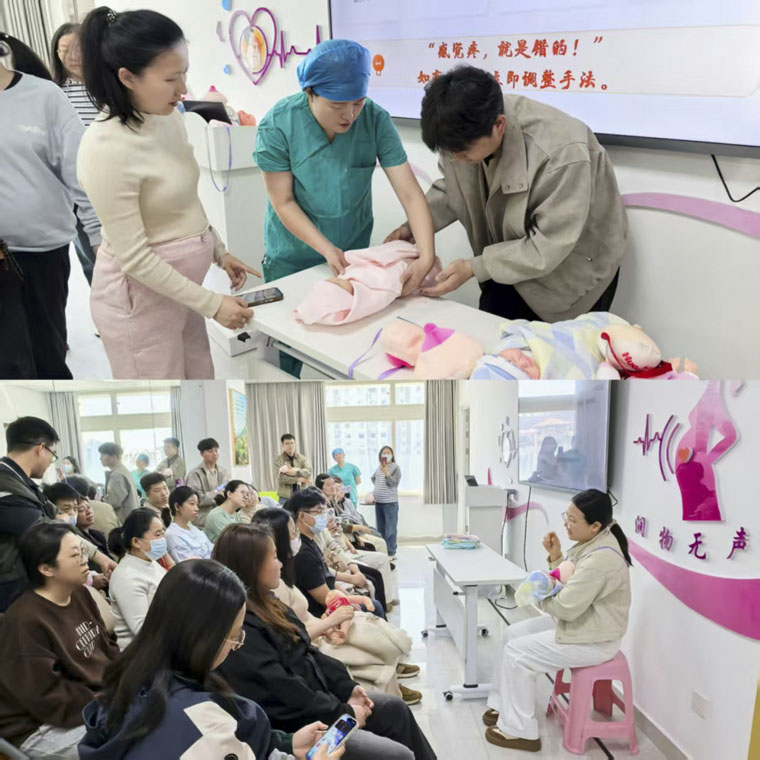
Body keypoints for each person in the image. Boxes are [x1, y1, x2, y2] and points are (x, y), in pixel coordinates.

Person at [77, 7, 259, 380]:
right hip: (139, 304)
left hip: (182, 292)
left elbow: (185, 200)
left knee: (200, 379)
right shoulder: (104, 146)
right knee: (162, 390)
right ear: (128, 77)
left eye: (185, 73)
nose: (183, 89)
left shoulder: (169, 118)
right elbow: (134, 258)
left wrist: (218, 250)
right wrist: (212, 304)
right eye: (171, 78)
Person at [386, 65, 627, 322]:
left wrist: (473, 267)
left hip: (570, 272)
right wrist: (413, 227)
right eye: (450, 153)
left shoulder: (561, 153)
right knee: (494, 336)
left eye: (464, 154)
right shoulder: (463, 132)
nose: (456, 159)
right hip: (507, 260)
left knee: (550, 345)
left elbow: (549, 245)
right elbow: (452, 188)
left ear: (499, 125)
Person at [256, 39, 435, 376]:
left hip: (352, 255)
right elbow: (284, 201)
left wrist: (426, 256)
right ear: (310, 93)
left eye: (358, 102)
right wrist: (326, 249)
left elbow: (411, 194)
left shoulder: (375, 120)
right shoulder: (278, 125)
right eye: (337, 104)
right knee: (290, 341)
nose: (350, 115)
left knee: (350, 341)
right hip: (293, 254)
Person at [78, 558, 342, 760]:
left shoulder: (133, 677)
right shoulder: (200, 724)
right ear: (203, 638)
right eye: (234, 636)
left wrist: (284, 742)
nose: (237, 646)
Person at [213, 523, 435, 760]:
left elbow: (307, 652)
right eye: (274, 557)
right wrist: (345, 711)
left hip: (323, 701)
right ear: (252, 565)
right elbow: (286, 691)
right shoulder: (242, 630)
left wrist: (347, 688)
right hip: (305, 724)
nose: (281, 564)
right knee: (396, 755)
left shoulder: (269, 602)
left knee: (395, 708)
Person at [484, 489, 632, 752]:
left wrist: (535, 594)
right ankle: (502, 705)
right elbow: (570, 580)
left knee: (517, 654)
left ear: (595, 525)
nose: (566, 524)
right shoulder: (593, 542)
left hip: (594, 639)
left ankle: (520, 731)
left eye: (573, 520)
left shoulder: (601, 559)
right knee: (511, 635)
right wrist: (556, 557)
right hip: (584, 624)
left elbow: (565, 607)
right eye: (567, 517)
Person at [0, 32, 101, 379]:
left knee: (47, 356)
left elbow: (79, 171)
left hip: (42, 252)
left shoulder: (44, 96)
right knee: (9, 366)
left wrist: (97, 234)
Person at [254, 507, 421, 704]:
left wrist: (338, 603)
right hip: (315, 638)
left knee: (370, 617)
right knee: (369, 628)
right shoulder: (274, 584)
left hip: (320, 626)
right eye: (292, 532)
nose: (296, 536)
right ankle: (389, 691)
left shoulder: (287, 567)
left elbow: (327, 571)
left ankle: (393, 679)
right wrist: (332, 619)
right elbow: (292, 637)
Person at [0, 522, 119, 758]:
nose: (84, 560)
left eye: (83, 551)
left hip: (91, 699)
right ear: (46, 568)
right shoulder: (24, 621)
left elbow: (106, 645)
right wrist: (106, 700)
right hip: (41, 724)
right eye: (75, 555)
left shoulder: (79, 593)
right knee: (131, 739)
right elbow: (45, 696)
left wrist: (126, 677)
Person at [0, 417, 116, 612]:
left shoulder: (23, 483)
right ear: (41, 448)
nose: (50, 462)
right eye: (52, 455)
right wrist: (57, 523)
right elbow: (45, 534)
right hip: (11, 588)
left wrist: (101, 558)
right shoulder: (6, 486)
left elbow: (57, 521)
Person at [51, 22, 100, 285]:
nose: (72, 56)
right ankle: (105, 308)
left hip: (110, 179)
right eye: (64, 50)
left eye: (78, 48)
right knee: (91, 259)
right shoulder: (53, 93)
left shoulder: (107, 87)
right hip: (74, 189)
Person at [284, 490, 384, 619]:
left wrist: (348, 598)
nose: (324, 516)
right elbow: (326, 599)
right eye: (319, 511)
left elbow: (328, 579)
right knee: (375, 607)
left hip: (334, 601)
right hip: (324, 614)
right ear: (302, 516)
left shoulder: (311, 541)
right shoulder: (304, 554)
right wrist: (352, 607)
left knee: (373, 602)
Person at [317, 475, 398, 607]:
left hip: (345, 547)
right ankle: (383, 603)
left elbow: (340, 530)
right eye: (329, 485)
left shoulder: (336, 503)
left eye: (335, 485)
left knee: (379, 545)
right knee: (376, 566)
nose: (333, 488)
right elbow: (337, 535)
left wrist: (351, 544)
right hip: (340, 554)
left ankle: (386, 600)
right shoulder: (322, 516)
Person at [107, 508, 168, 649]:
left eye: (163, 533)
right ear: (136, 541)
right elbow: (142, 629)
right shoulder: (126, 577)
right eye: (158, 534)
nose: (163, 539)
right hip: (142, 652)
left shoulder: (150, 562)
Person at [185, 437, 230, 525]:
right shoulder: (194, 474)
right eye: (210, 451)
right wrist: (217, 494)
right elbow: (196, 499)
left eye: (216, 451)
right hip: (202, 519)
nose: (215, 454)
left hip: (222, 516)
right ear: (202, 454)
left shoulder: (223, 472)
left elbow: (227, 492)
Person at [164, 485, 214, 562]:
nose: (197, 509)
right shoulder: (172, 535)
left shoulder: (194, 529)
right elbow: (189, 565)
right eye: (192, 504)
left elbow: (213, 550)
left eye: (197, 504)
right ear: (177, 506)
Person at [371, 446, 401, 560]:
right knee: (380, 529)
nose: (386, 455)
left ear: (392, 455)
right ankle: (383, 551)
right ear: (380, 455)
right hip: (379, 502)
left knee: (391, 529)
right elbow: (373, 478)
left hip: (390, 503)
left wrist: (387, 473)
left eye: (388, 453)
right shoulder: (379, 467)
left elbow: (393, 484)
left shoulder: (395, 467)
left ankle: (391, 552)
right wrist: (378, 489)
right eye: (384, 453)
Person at [99, 442, 140, 523]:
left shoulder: (117, 475)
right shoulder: (123, 470)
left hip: (124, 519)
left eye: (103, 455)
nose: (100, 458)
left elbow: (114, 502)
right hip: (132, 517)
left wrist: (100, 501)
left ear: (114, 457)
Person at [275, 433, 313, 502]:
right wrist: (298, 479)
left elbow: (308, 472)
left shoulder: (302, 458)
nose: (290, 446)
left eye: (292, 443)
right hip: (285, 497)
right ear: (283, 445)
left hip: (302, 495)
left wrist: (296, 471)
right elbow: (281, 478)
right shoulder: (278, 460)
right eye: (287, 443)